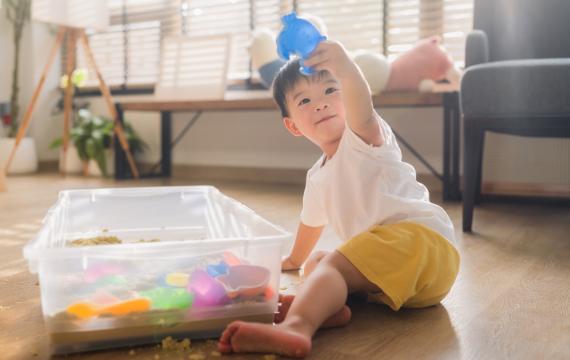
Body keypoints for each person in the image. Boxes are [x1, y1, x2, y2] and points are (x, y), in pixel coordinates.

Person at [218, 40, 460, 358]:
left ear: (348, 97)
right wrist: (295, 260)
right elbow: (310, 223)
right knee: (318, 262)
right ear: (292, 125)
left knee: (332, 265)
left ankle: (298, 327)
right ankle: (330, 308)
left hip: (423, 242)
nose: (320, 104)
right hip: (403, 279)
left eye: (331, 91)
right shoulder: (317, 176)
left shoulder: (363, 138)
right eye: (304, 100)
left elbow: (362, 109)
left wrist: (345, 69)